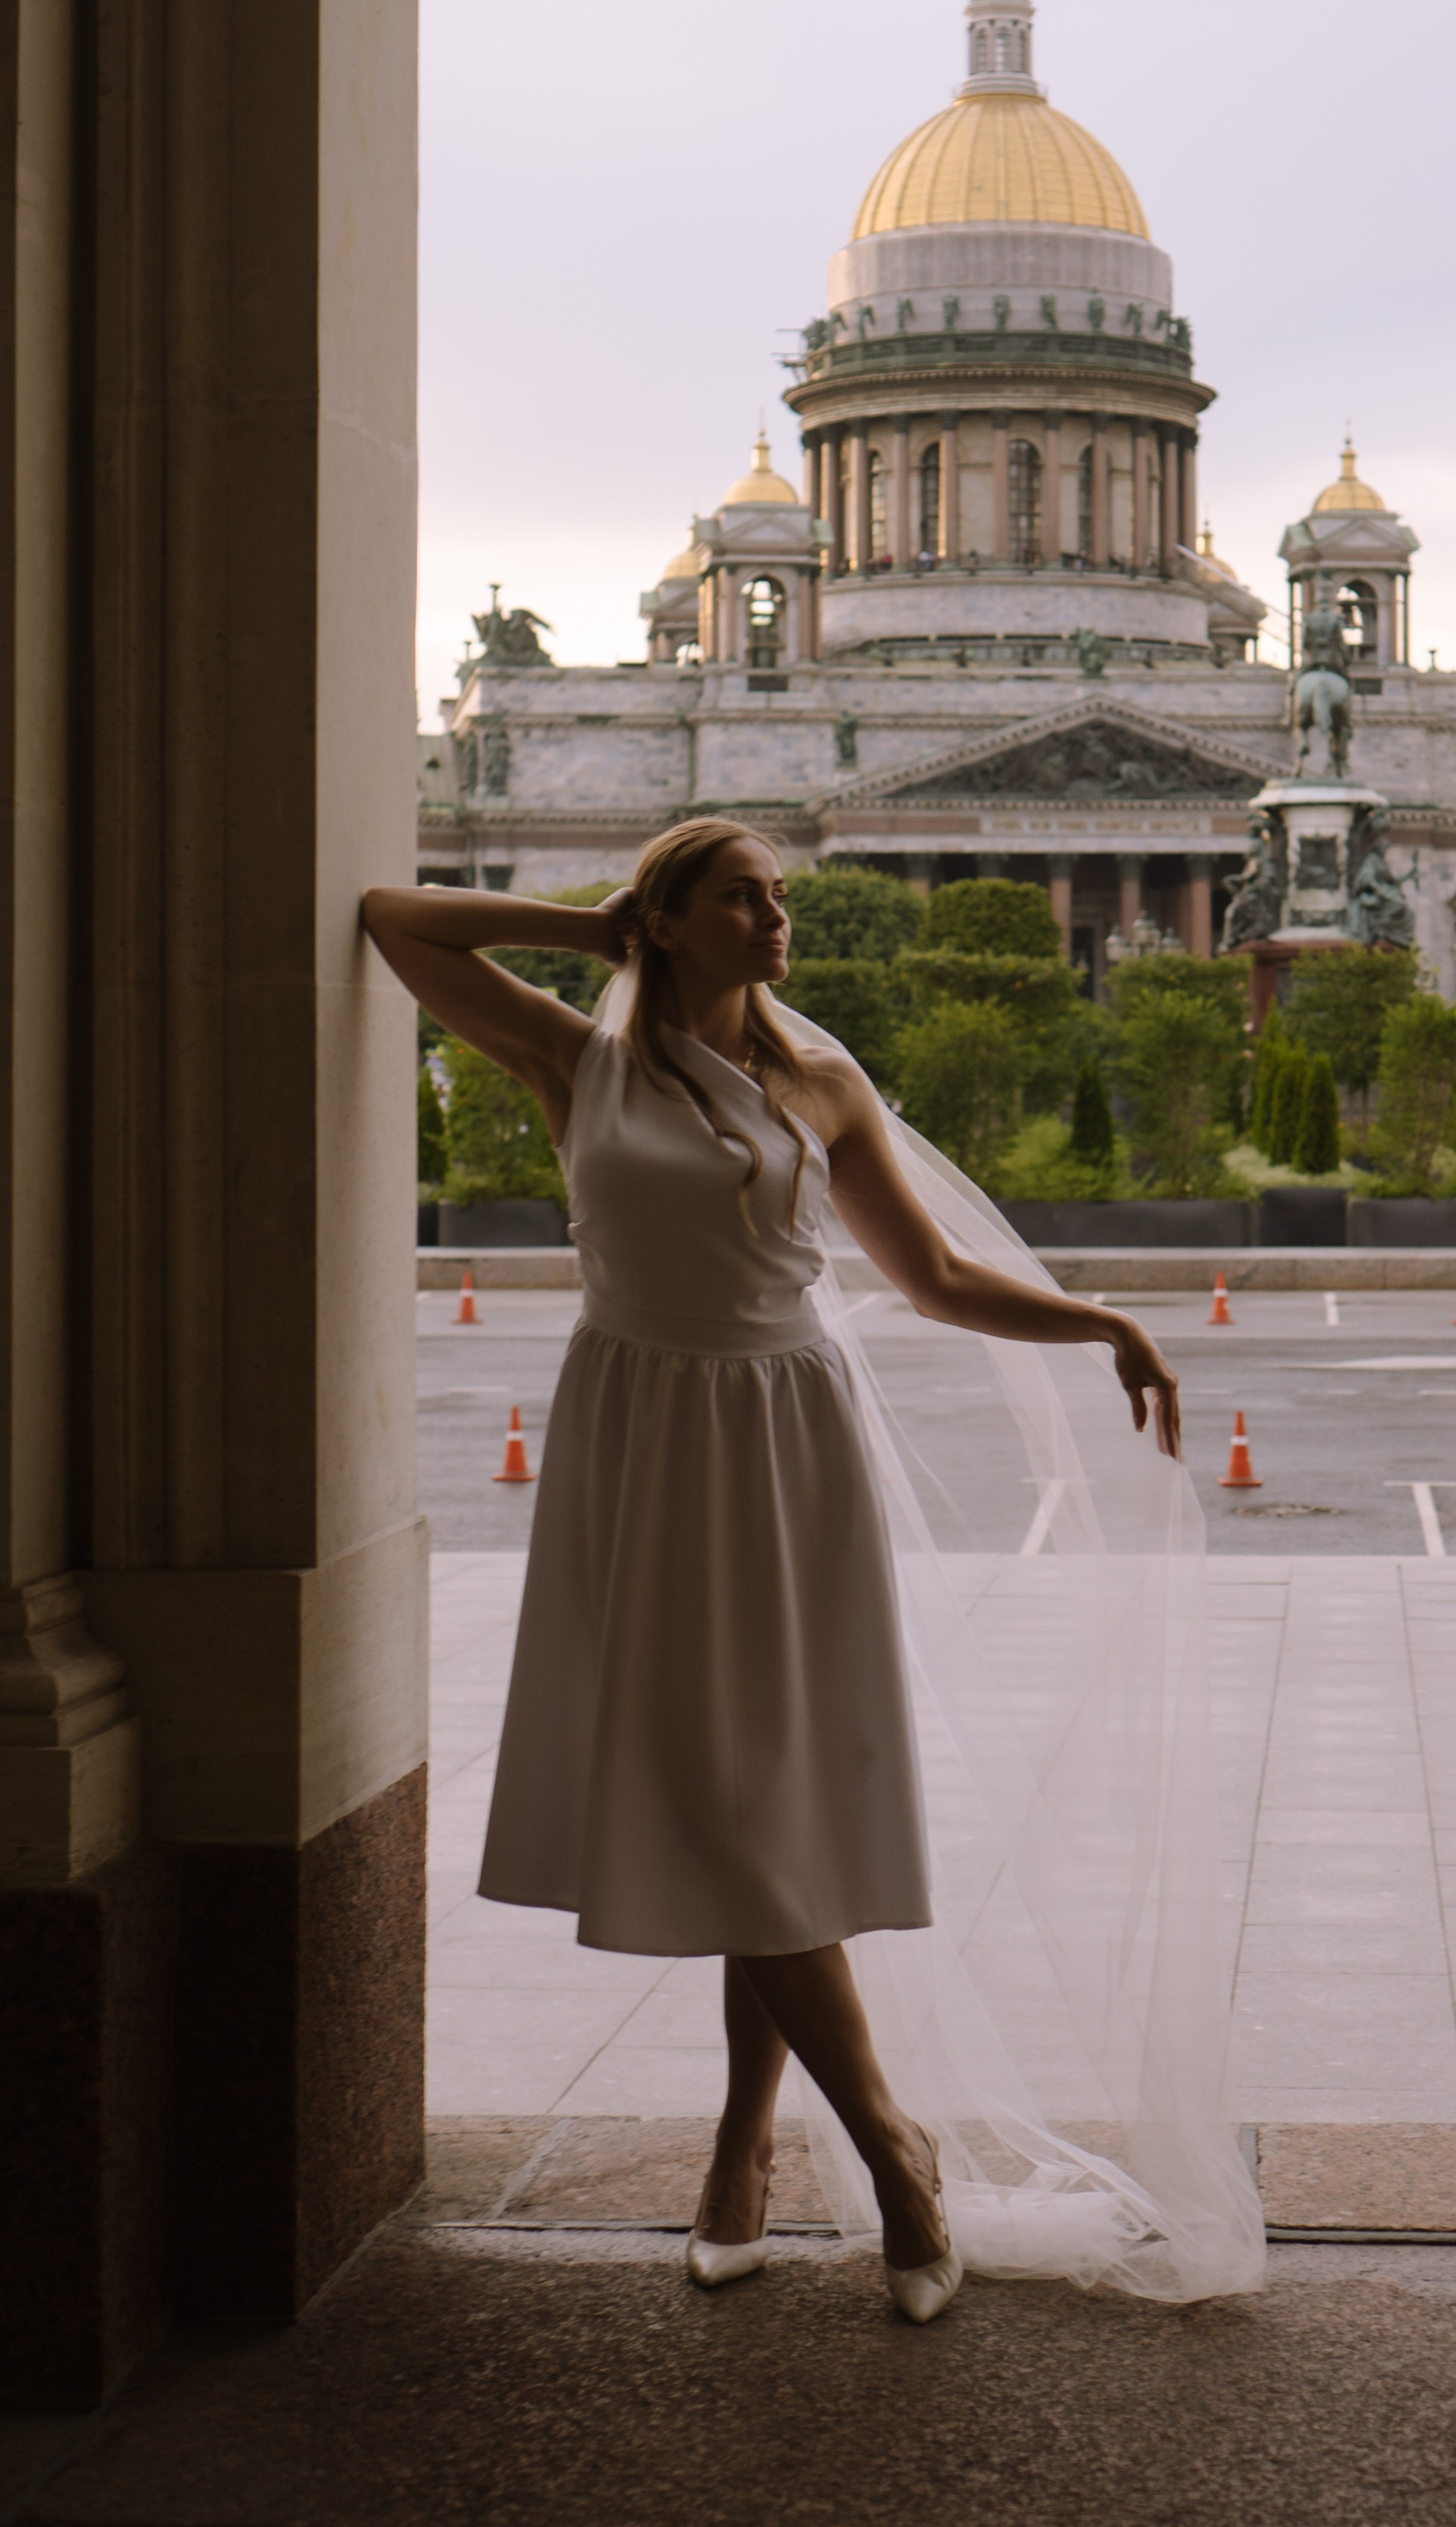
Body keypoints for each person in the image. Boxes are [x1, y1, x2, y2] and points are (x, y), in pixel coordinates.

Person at [362, 821, 1187, 2325]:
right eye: (741, 895)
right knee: (734, 1806)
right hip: (640, 1436)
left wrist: (1102, 1326)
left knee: (762, 1809)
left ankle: (766, 2152)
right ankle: (881, 2142)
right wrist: (587, 925)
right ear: (668, 921)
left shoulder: (821, 1082)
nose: (776, 915)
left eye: (778, 895)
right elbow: (394, 921)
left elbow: (931, 1279)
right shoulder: (575, 1059)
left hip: (783, 1440)